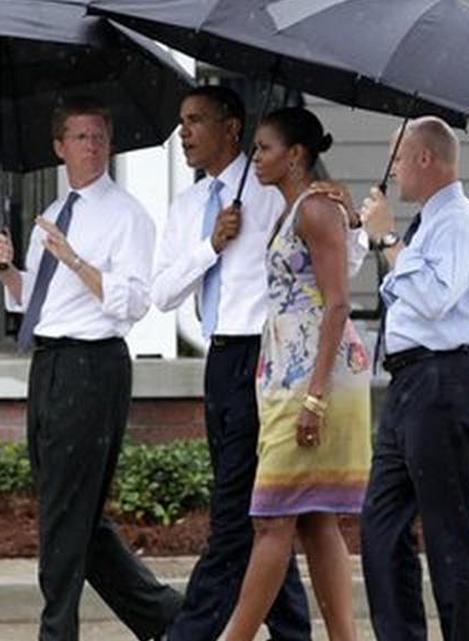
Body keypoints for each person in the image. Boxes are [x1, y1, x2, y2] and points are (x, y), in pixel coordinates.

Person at [0, 97, 182, 641]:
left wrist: (73, 259)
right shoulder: (53, 213)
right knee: (75, 515)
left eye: (99, 136)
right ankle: (170, 619)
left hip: (92, 367)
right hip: (48, 362)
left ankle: (57, 632)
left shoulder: (127, 216)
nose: (91, 146)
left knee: (63, 515)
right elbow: (40, 305)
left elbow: (133, 302)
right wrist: (6, 274)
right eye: (80, 137)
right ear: (59, 147)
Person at [150, 86, 312, 641]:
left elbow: (336, 252)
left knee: (233, 516)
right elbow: (163, 293)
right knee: (255, 508)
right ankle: (292, 629)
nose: (185, 133)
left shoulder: (271, 190)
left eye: (197, 120)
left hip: (262, 358)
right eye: (182, 121)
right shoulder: (187, 206)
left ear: (232, 128)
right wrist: (210, 246)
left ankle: (190, 632)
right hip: (218, 359)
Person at [221, 107, 372, 641]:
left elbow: (336, 305)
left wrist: (314, 398)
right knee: (313, 516)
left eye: (263, 148)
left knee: (271, 519)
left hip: (317, 379)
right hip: (290, 375)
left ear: (296, 156)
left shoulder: (315, 210)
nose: (256, 157)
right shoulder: (297, 210)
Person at [356, 115, 469, 641]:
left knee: (449, 532)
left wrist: (388, 239)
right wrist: (382, 237)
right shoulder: (426, 224)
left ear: (424, 159)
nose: (393, 170)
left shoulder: (458, 222)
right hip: (410, 385)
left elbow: (435, 298)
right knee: (380, 525)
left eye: (399, 158)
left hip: (445, 381)